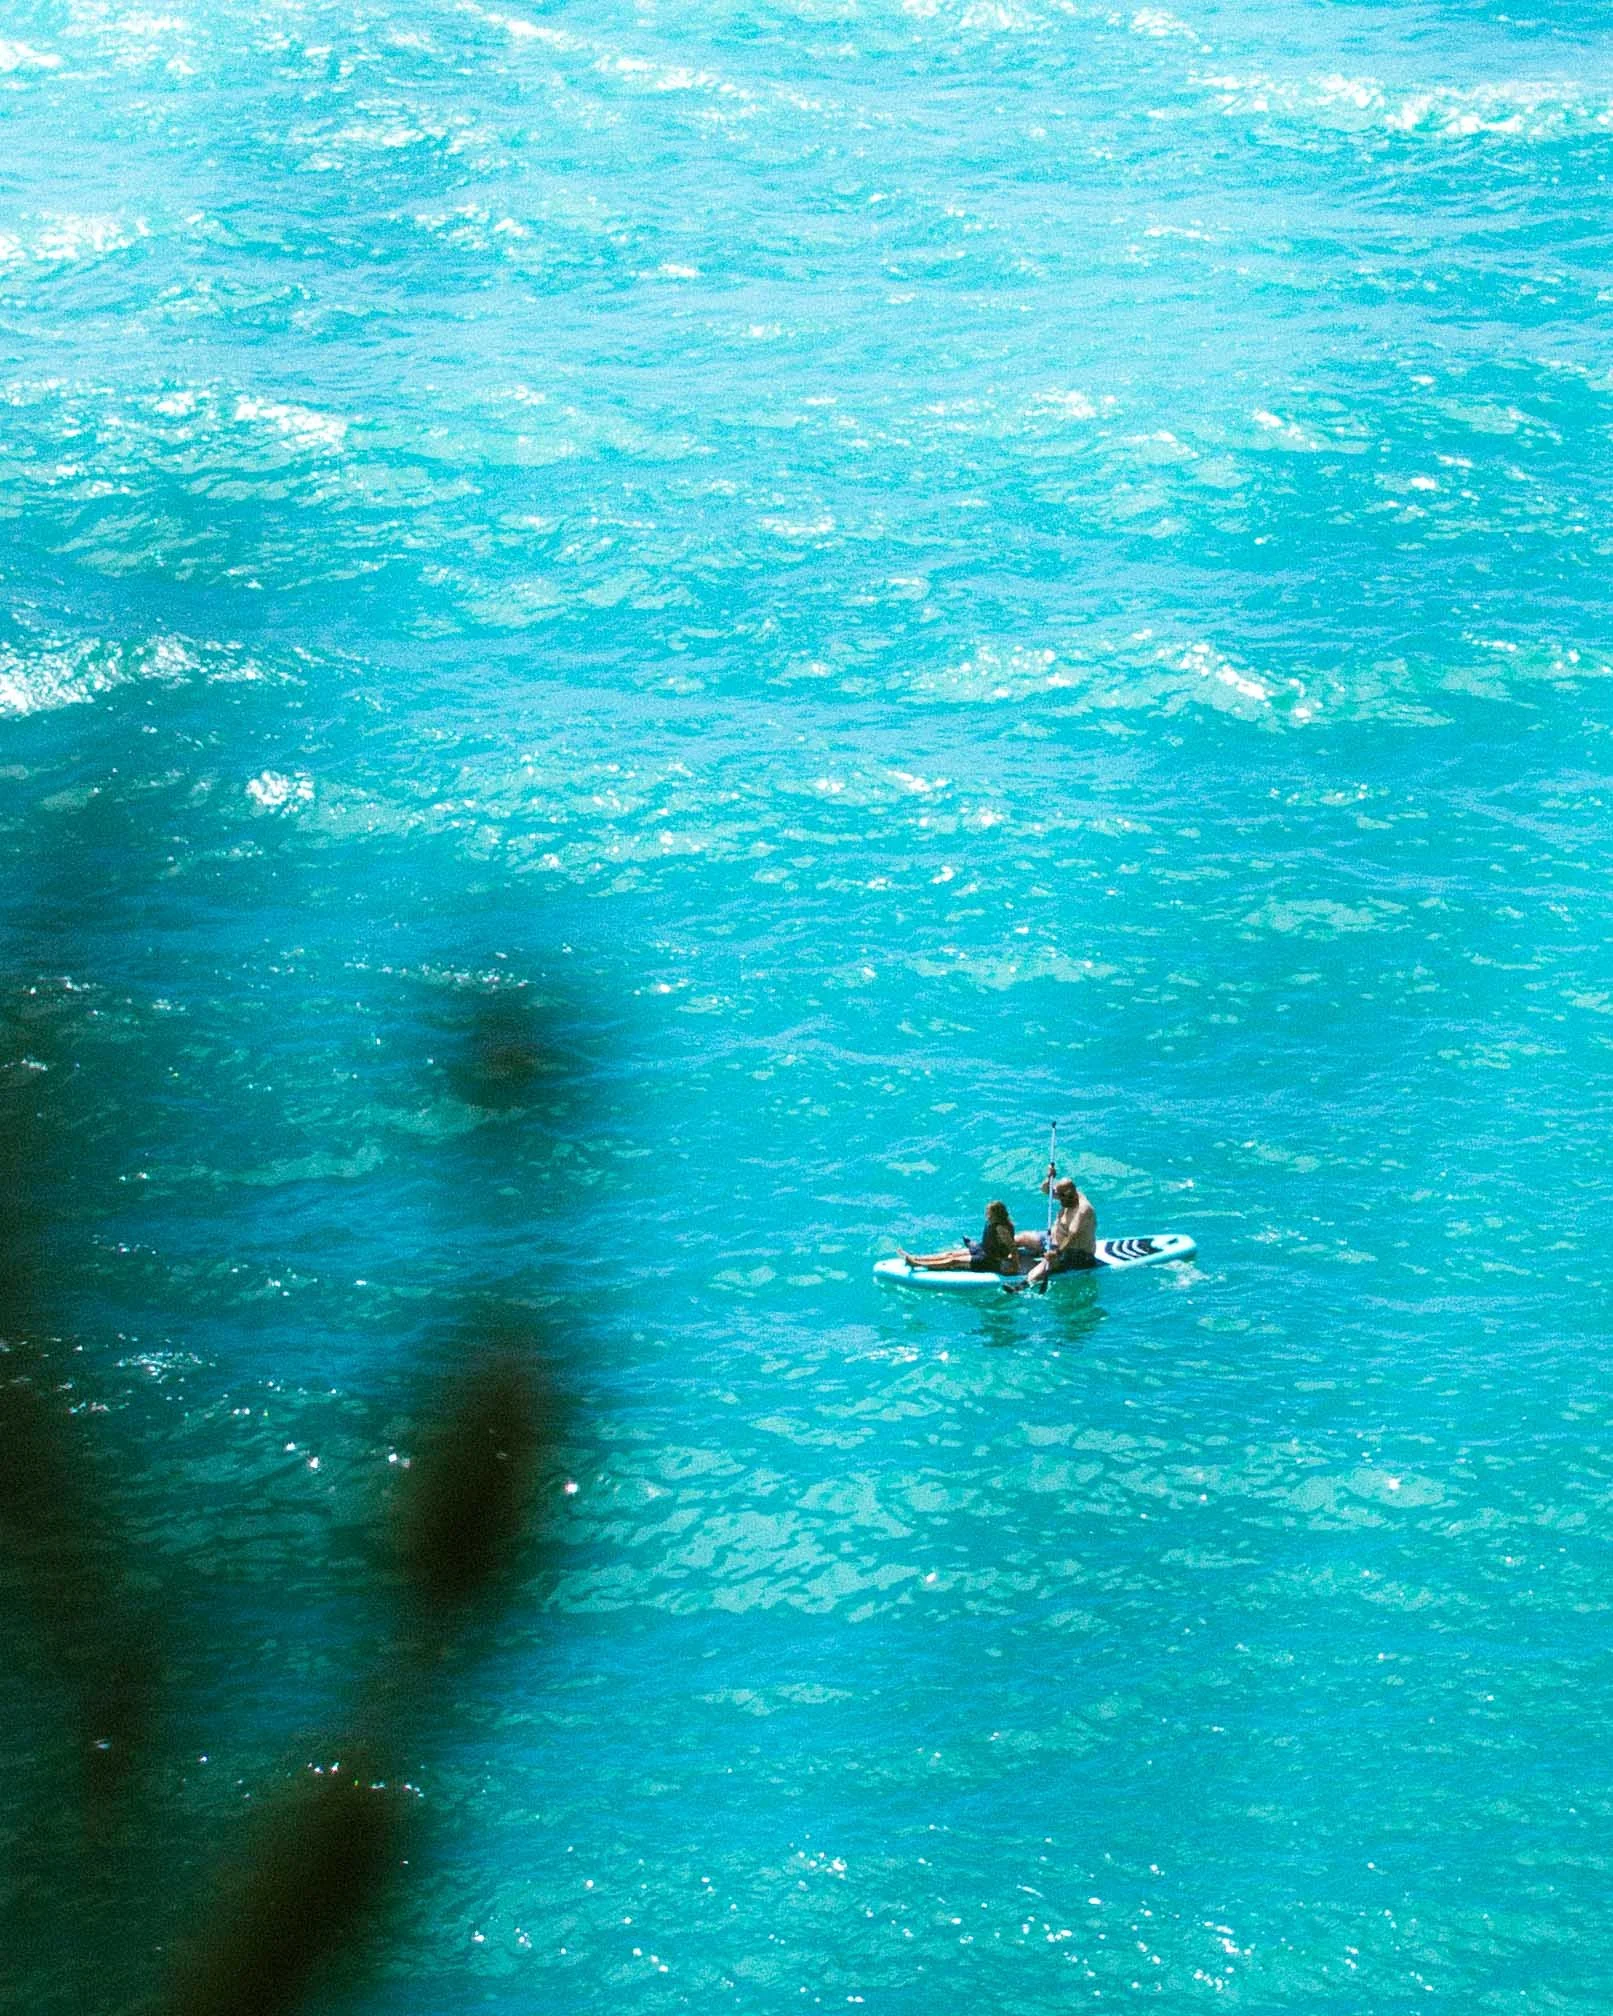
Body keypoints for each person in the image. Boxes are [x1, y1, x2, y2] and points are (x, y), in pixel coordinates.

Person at [1007, 1167, 1096, 1293]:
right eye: (1059, 1197)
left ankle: (1019, 1288)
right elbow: (1045, 1190)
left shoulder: (1083, 1210)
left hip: (1075, 1253)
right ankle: (991, 1251)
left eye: (1062, 1198)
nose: (1059, 1200)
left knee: (1044, 1266)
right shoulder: (1066, 1195)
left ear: (1071, 1195)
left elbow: (1072, 1236)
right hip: (1051, 1239)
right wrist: (1049, 1178)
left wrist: (1057, 1253)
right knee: (1021, 1238)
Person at [902, 1200, 1020, 1275]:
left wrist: (1014, 1266)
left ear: (996, 1214)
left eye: (989, 1212)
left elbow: (1012, 1248)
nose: (986, 1214)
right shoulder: (992, 1222)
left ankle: (917, 1264)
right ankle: (917, 1258)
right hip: (982, 1249)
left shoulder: (1001, 1228)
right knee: (950, 1254)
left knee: (954, 1261)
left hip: (990, 1259)